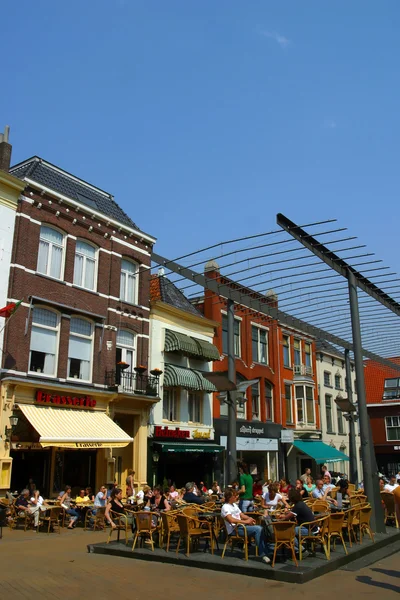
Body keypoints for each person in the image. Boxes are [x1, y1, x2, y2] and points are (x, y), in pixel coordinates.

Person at [221, 489, 271, 564]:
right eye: (235, 496)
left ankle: (265, 551)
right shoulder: (225, 507)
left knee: (261, 528)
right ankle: (264, 554)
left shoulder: (234, 505)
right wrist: (246, 521)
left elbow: (241, 515)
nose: (237, 497)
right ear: (229, 497)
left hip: (241, 526)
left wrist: (249, 518)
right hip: (235, 530)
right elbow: (231, 520)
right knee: (258, 529)